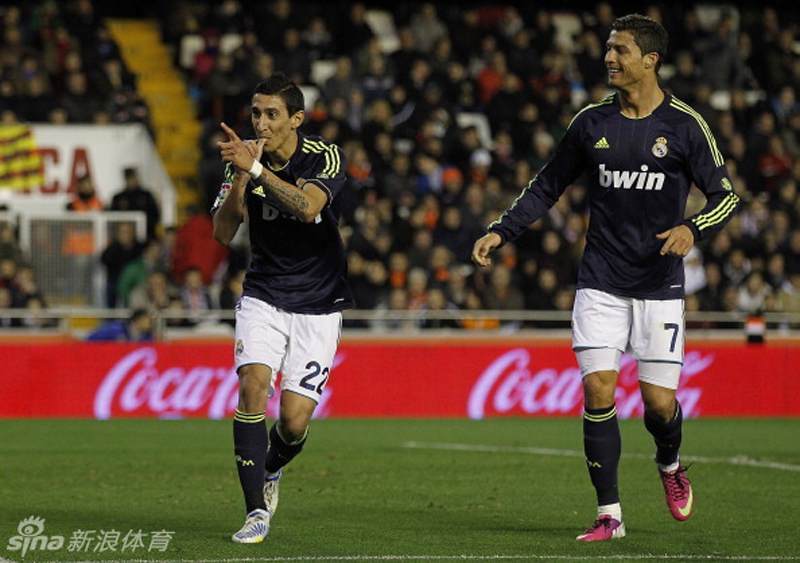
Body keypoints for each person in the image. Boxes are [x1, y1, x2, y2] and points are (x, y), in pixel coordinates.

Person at [472, 14, 741, 542]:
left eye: (620, 50)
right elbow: (547, 185)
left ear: (650, 59)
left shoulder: (685, 125)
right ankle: (609, 515)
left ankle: (670, 463)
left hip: (659, 284)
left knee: (659, 407)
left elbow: (725, 195)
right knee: (598, 392)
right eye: (608, 49)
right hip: (600, 281)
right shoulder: (591, 122)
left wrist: (694, 227)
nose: (609, 58)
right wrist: (503, 231)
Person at [212, 72, 353, 544]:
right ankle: (255, 511)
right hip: (264, 296)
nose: (261, 122)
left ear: (297, 118)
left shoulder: (325, 155)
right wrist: (238, 179)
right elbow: (221, 232)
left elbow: (308, 207)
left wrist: (257, 173)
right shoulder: (243, 158)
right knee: (253, 387)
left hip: (318, 302)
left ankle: (271, 468)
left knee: (292, 424)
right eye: (256, 112)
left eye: (272, 114)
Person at [109, 167, 161, 240]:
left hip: (146, 235)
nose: (131, 180)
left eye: (132, 177)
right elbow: (112, 217)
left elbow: (155, 215)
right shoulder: (118, 198)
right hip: (124, 238)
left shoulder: (146, 195)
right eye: (128, 178)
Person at [86, 308, 153, 341]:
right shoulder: (115, 329)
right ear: (138, 320)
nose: (150, 323)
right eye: (147, 320)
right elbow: (92, 338)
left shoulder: (147, 337)